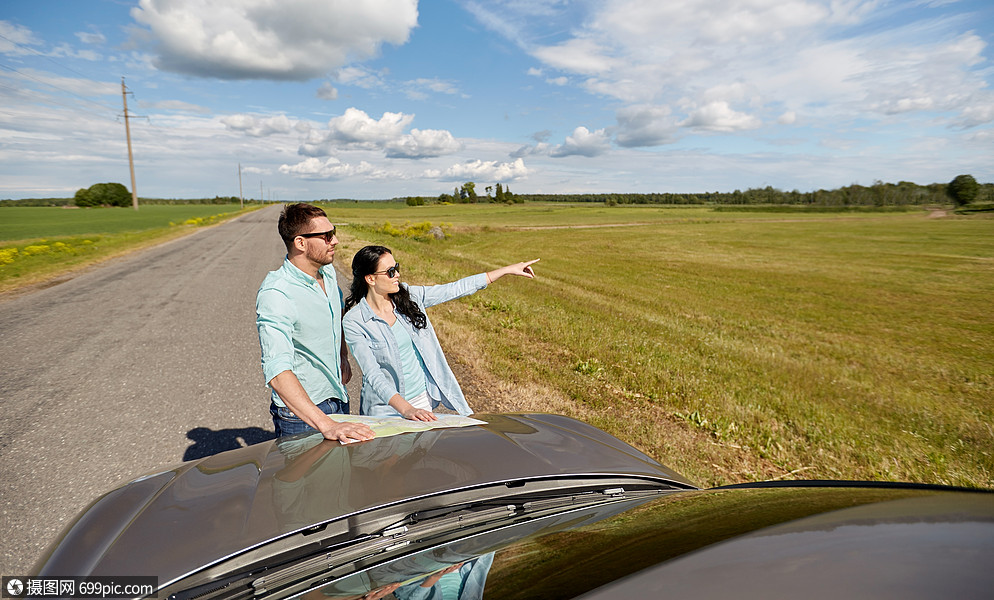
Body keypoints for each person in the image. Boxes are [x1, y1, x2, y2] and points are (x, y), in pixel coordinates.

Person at [343, 245, 538, 421]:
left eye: (397, 268)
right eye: (390, 272)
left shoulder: (409, 297)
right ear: (371, 279)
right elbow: (373, 375)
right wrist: (407, 410)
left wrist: (506, 270)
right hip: (383, 411)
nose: (397, 276)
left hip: (421, 401)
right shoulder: (354, 321)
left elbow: (455, 289)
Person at [256, 203, 375, 443]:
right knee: (309, 481)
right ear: (300, 242)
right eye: (327, 236)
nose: (336, 241)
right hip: (301, 416)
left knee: (340, 476)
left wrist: (343, 355)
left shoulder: (327, 272)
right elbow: (277, 373)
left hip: (338, 396)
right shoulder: (276, 294)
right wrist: (326, 424)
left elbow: (337, 312)